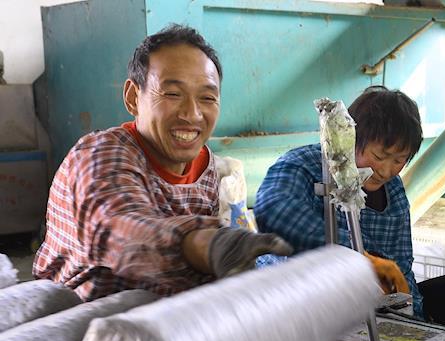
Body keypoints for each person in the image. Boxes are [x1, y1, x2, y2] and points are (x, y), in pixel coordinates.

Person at [34, 24, 289, 301]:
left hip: (164, 312)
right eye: (172, 94)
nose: (192, 114)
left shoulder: (206, 166)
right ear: (133, 97)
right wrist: (210, 245)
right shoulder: (99, 156)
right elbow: (120, 231)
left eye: (207, 98)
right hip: (83, 314)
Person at [254, 86, 445, 328]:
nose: (385, 171)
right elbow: (273, 210)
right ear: (352, 138)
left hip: (365, 305)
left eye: (399, 160)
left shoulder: (393, 190)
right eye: (379, 156)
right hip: (293, 306)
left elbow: (401, 267)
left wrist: (413, 319)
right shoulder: (303, 165)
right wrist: (358, 257)